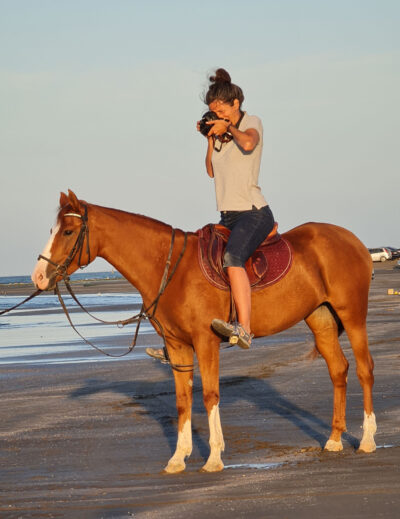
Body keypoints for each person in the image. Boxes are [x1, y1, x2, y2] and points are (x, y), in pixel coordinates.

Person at [146, 68, 274, 360]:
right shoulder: (222, 136)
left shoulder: (250, 122)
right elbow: (210, 170)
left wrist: (227, 128)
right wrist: (209, 138)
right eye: (212, 113)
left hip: (253, 212)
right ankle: (180, 341)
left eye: (220, 111)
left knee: (232, 258)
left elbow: (250, 142)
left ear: (235, 105)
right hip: (227, 215)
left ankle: (244, 329)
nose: (216, 116)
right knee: (200, 264)